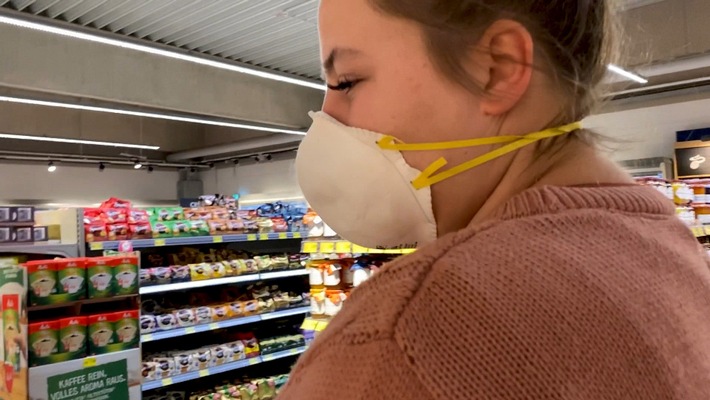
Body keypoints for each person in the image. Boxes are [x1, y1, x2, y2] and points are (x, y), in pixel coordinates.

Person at [281, 0, 710, 399]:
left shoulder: (406, 337)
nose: (326, 119)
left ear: (498, 69)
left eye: (347, 81)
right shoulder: (671, 250)